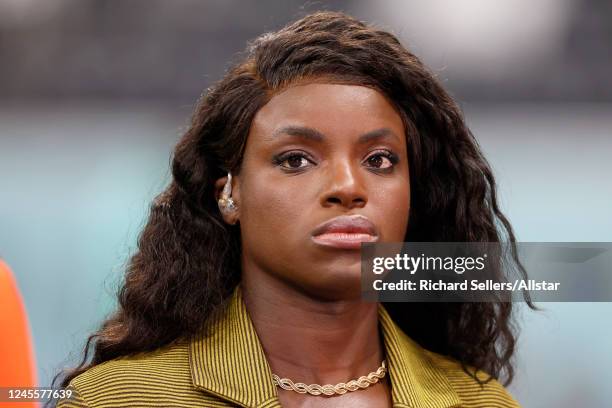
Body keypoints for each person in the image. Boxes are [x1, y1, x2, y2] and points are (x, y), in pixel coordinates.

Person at [55, 11, 529, 408]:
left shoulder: (479, 401)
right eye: (296, 160)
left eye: (379, 160)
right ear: (229, 194)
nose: (347, 187)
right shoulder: (116, 400)